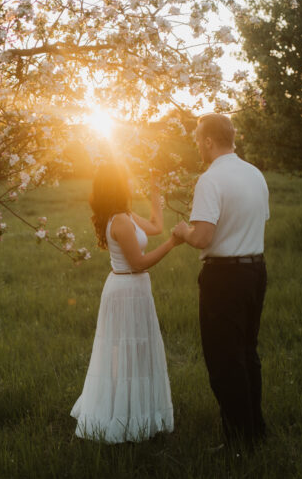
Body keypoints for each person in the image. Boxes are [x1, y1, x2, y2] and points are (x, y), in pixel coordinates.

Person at [172, 113, 270, 449]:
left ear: (209, 141)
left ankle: (238, 440)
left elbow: (202, 237)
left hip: (224, 277)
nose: (197, 145)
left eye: (198, 139)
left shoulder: (210, 179)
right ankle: (255, 428)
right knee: (246, 352)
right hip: (256, 270)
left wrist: (183, 230)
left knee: (224, 360)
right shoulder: (255, 174)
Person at [71, 161, 182, 443]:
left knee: (137, 348)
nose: (131, 183)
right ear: (118, 185)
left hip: (135, 288)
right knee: (123, 350)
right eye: (127, 179)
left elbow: (156, 226)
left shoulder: (125, 214)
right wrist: (172, 243)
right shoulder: (119, 220)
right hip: (126, 288)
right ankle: (123, 413)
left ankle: (135, 407)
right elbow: (139, 262)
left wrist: (155, 190)